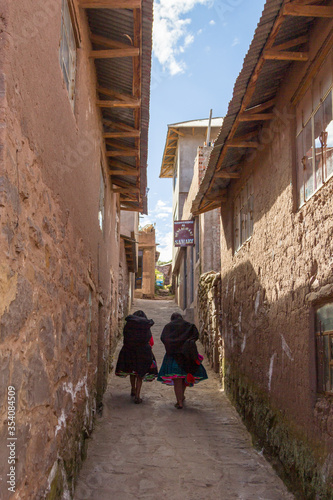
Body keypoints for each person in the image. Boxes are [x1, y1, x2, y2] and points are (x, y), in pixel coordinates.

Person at [157, 312, 208, 409]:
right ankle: (182, 396)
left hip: (173, 357)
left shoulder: (168, 327)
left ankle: (179, 401)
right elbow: (195, 335)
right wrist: (188, 343)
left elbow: (163, 338)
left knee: (177, 380)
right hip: (187, 357)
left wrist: (171, 346)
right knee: (184, 377)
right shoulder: (189, 326)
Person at [115, 310, 158, 404]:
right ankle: (137, 396)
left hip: (129, 351)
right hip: (143, 353)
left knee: (132, 372)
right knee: (140, 374)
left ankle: (133, 389)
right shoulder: (146, 326)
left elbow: (125, 337)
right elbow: (150, 341)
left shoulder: (129, 325)